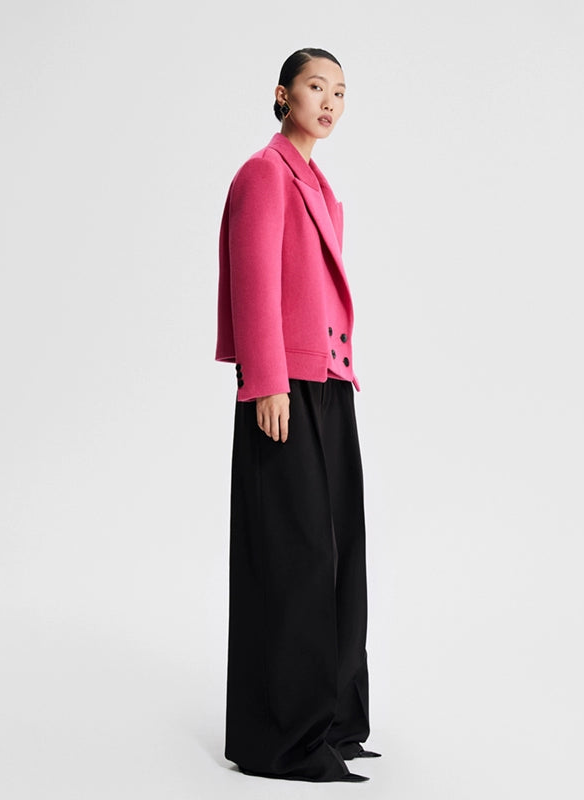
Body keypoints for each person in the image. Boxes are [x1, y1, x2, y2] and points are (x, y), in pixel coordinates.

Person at [215, 47, 380, 783]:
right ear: (283, 95)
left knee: (340, 552)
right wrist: (267, 381)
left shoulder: (317, 184)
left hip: (331, 381)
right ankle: (284, 737)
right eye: (317, 86)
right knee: (296, 557)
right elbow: (253, 278)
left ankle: (335, 721)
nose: (330, 101)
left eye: (340, 91)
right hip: (285, 384)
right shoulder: (264, 173)